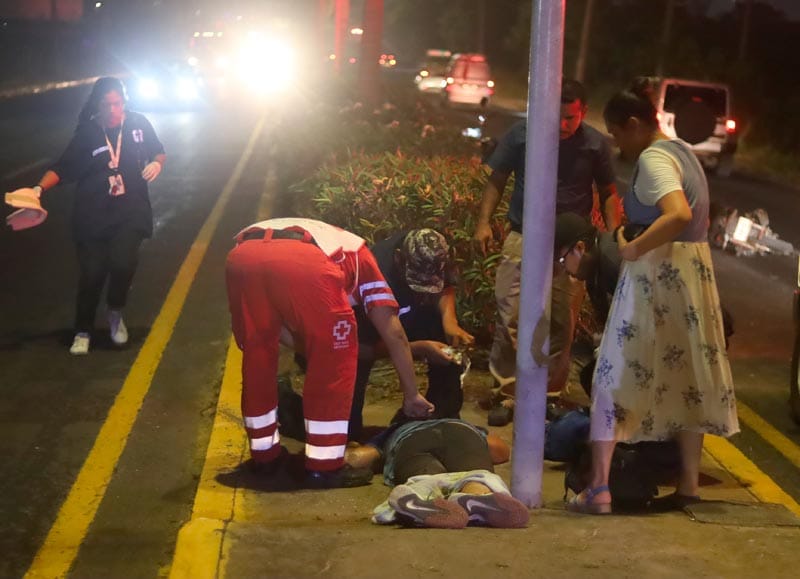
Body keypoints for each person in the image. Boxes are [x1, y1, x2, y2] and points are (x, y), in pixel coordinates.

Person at [566, 88, 739, 514]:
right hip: (690, 277)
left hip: (656, 277)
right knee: (685, 380)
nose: (616, 143)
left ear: (634, 125)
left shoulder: (655, 158)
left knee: (612, 374)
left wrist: (633, 248)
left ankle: (599, 488)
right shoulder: (685, 153)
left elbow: (677, 213)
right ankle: (688, 485)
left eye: (616, 133)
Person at [225, 217, 434, 489]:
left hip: (243, 255)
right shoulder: (363, 259)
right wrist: (412, 394)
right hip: (306, 263)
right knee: (335, 362)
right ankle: (324, 466)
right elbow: (393, 332)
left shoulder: (337, 240)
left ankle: (264, 456)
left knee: (258, 354)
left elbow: (279, 332)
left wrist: (313, 347)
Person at [473, 79, 621, 425]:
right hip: (523, 235)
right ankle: (508, 391)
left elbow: (609, 192)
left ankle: (549, 395)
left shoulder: (594, 144)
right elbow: (497, 179)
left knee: (561, 322)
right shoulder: (522, 134)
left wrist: (613, 239)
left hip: (570, 245)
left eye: (571, 117)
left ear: (584, 112)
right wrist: (483, 222)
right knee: (510, 314)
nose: (563, 124)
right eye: (557, 116)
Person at [29, 77, 166, 355]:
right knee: (92, 272)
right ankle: (83, 329)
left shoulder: (138, 124)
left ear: (124, 102)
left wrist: (156, 163)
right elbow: (63, 167)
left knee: (123, 263)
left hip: (130, 211)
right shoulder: (88, 132)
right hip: (93, 214)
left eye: (117, 104)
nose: (112, 110)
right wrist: (38, 189)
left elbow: (159, 152)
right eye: (106, 105)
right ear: (98, 105)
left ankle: (115, 312)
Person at [349, 228, 475, 438]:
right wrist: (418, 348)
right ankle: (344, 431)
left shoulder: (433, 248)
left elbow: (446, 287)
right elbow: (361, 349)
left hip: (411, 314)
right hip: (371, 331)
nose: (422, 292)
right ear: (399, 259)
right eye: (416, 283)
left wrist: (449, 321)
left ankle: (438, 416)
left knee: (450, 349)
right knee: (351, 380)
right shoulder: (371, 275)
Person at [345, 417, 529, 529]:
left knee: (424, 478)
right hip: (462, 432)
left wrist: (362, 452)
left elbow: (357, 458)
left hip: (410, 439)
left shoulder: (390, 431)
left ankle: (418, 497)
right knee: (477, 474)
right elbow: (500, 451)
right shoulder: (466, 424)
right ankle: (477, 495)